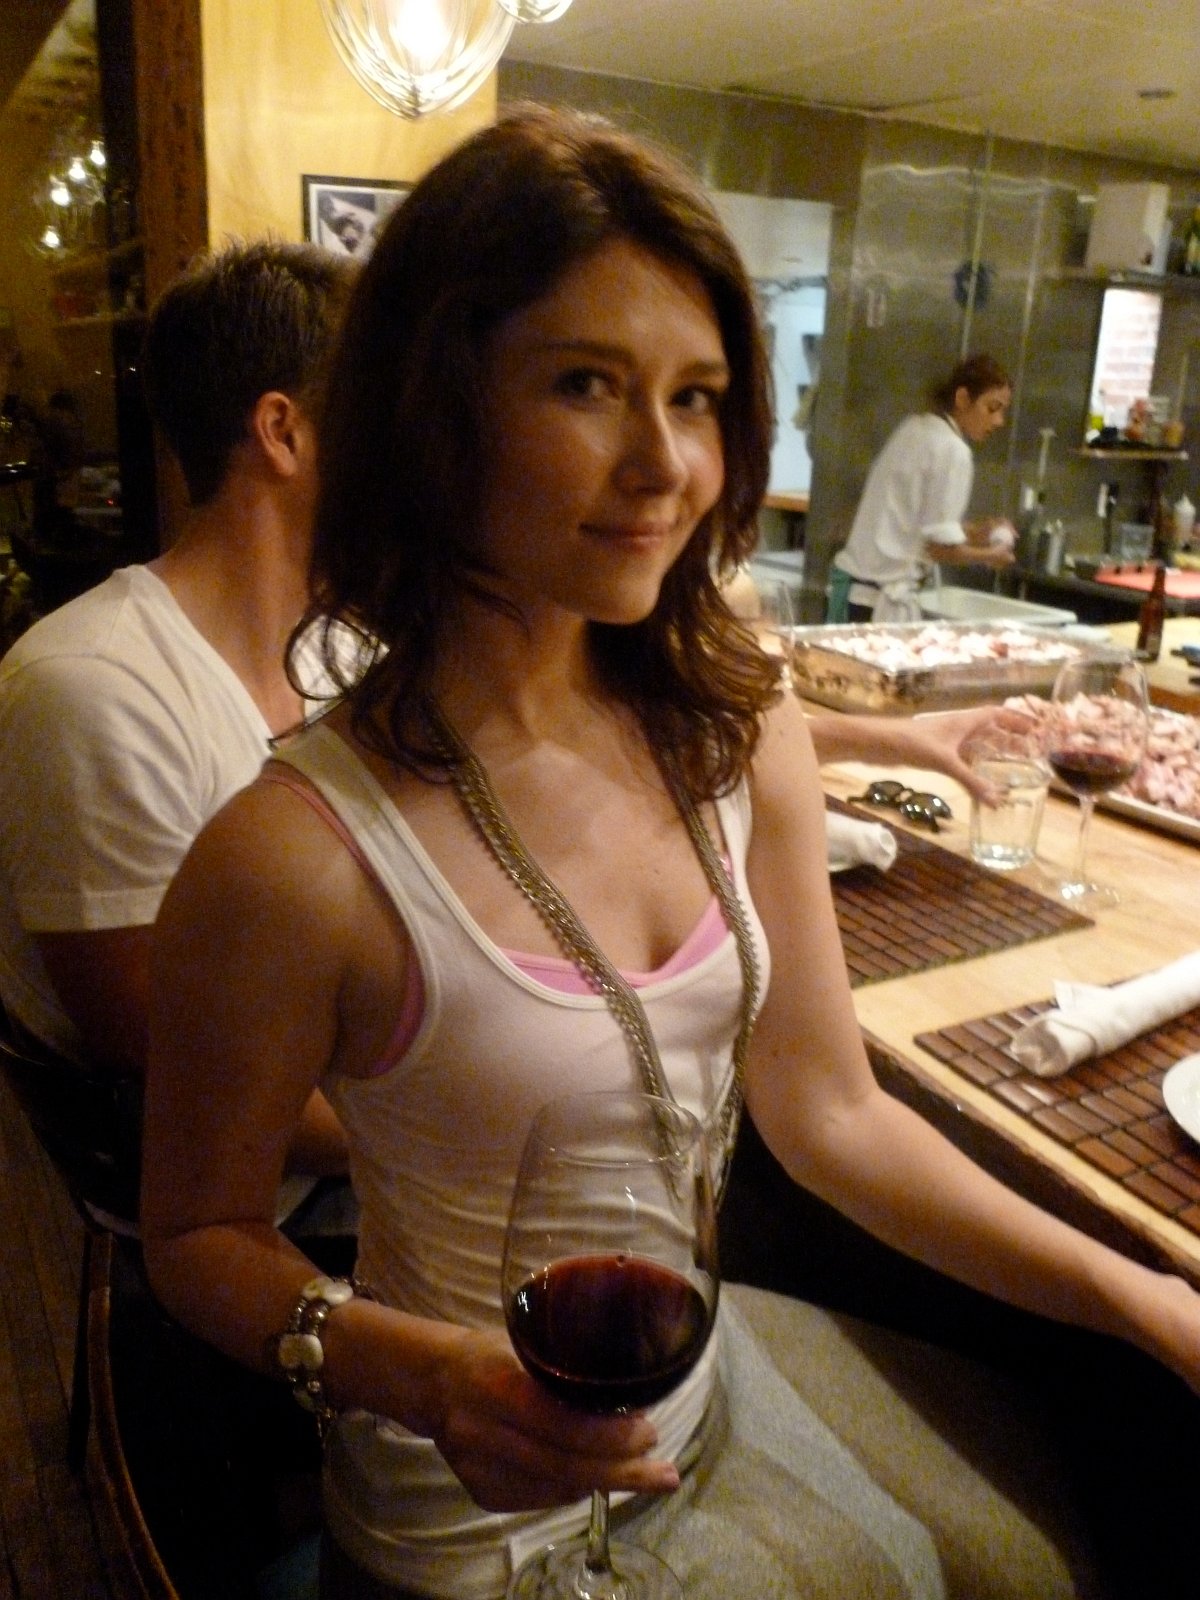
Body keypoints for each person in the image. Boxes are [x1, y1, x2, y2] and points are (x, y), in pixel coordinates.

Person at [141, 107, 1200, 1600]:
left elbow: (828, 1112)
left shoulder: (735, 729)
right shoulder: (292, 854)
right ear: (433, 410)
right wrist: (422, 1376)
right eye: (586, 384)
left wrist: (1137, 1293)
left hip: (703, 1403)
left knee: (1041, 1551)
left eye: (696, 397)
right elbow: (196, 1233)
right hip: (470, 1521)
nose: (666, 463)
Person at [0, 239, 355, 1179]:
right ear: (282, 432)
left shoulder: (357, 653)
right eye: (389, 411)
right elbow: (181, 1068)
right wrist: (463, 1153)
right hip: (250, 1207)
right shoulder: (92, 688)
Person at [827, 353, 1017, 623]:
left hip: (854, 592)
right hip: (874, 601)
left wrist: (977, 533)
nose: (999, 421)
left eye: (1002, 410)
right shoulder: (953, 450)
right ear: (963, 398)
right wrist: (991, 555)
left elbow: (916, 526)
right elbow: (940, 549)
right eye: (992, 408)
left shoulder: (915, 428)